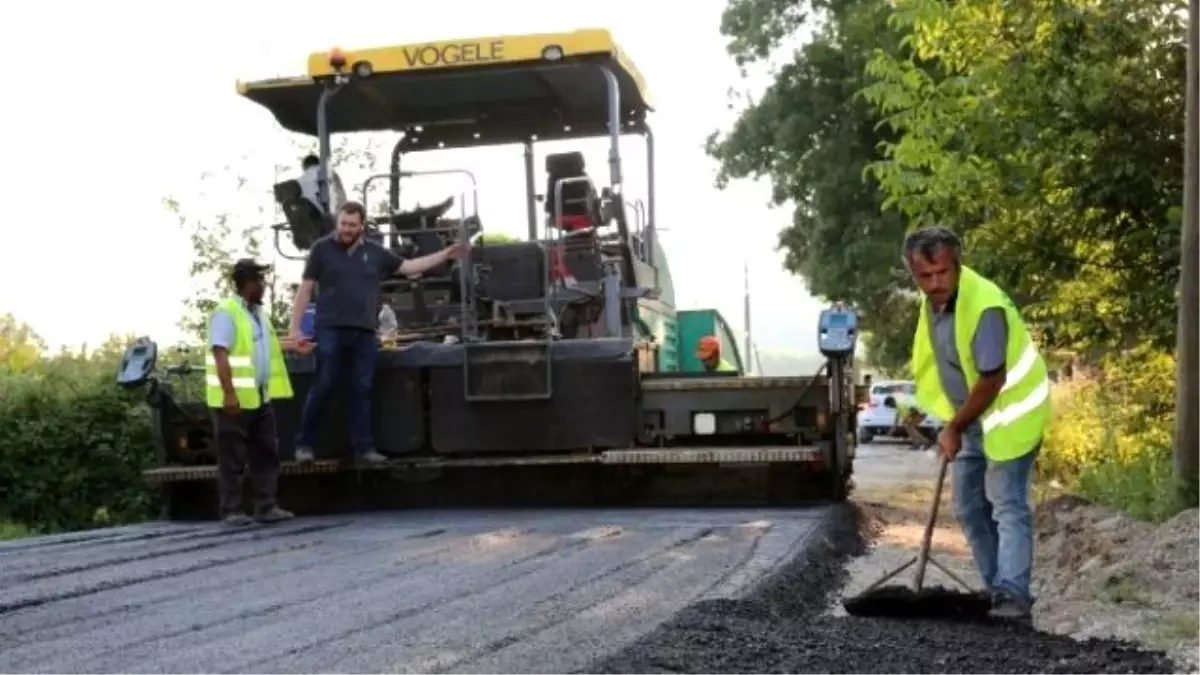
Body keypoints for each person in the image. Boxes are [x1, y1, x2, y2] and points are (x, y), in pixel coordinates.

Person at [904, 226, 1051, 621]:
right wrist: (944, 419)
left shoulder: (983, 306)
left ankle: (1013, 596)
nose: (935, 283)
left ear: (958, 265)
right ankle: (994, 591)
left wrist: (953, 426)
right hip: (970, 420)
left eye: (943, 273)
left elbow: (991, 379)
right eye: (925, 276)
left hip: (1010, 416)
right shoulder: (931, 305)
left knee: (1007, 505)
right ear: (912, 274)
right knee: (969, 507)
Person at [288, 201, 470, 465]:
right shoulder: (321, 249)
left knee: (361, 389)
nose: (346, 230)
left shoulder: (375, 253)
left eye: (352, 225)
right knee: (324, 383)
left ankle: (364, 448)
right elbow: (305, 290)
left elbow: (409, 266)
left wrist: (445, 254)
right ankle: (304, 444)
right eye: (343, 224)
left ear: (361, 225)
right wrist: (295, 329)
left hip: (364, 331)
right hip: (330, 328)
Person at [207, 259, 313, 526]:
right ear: (248, 283)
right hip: (234, 400)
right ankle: (231, 509)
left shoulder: (258, 315)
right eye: (260, 282)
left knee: (266, 453)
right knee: (232, 458)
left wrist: (293, 347)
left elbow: (266, 345)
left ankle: (266, 506)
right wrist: (229, 393)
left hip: (259, 397)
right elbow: (220, 352)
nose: (264, 286)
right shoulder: (226, 313)